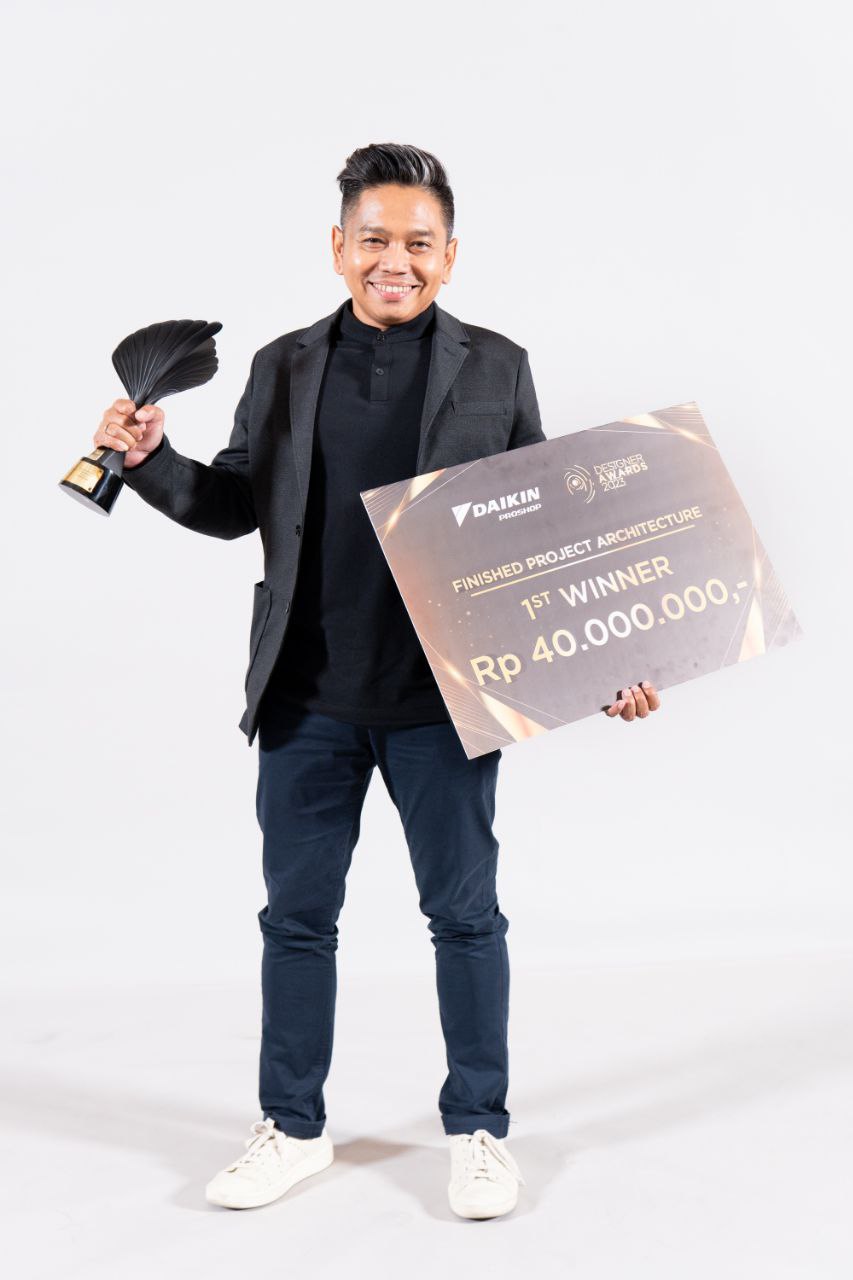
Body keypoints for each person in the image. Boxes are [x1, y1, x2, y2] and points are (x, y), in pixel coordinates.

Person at [93, 142, 661, 1221]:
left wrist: (605, 662)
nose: (392, 260)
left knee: (466, 918)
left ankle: (479, 1130)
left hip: (442, 704)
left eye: (416, 242)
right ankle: (292, 1127)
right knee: (297, 920)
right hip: (305, 698)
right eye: (372, 240)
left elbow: (543, 530)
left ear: (449, 254)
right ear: (337, 246)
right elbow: (234, 504)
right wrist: (149, 461)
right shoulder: (282, 364)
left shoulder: (497, 366)